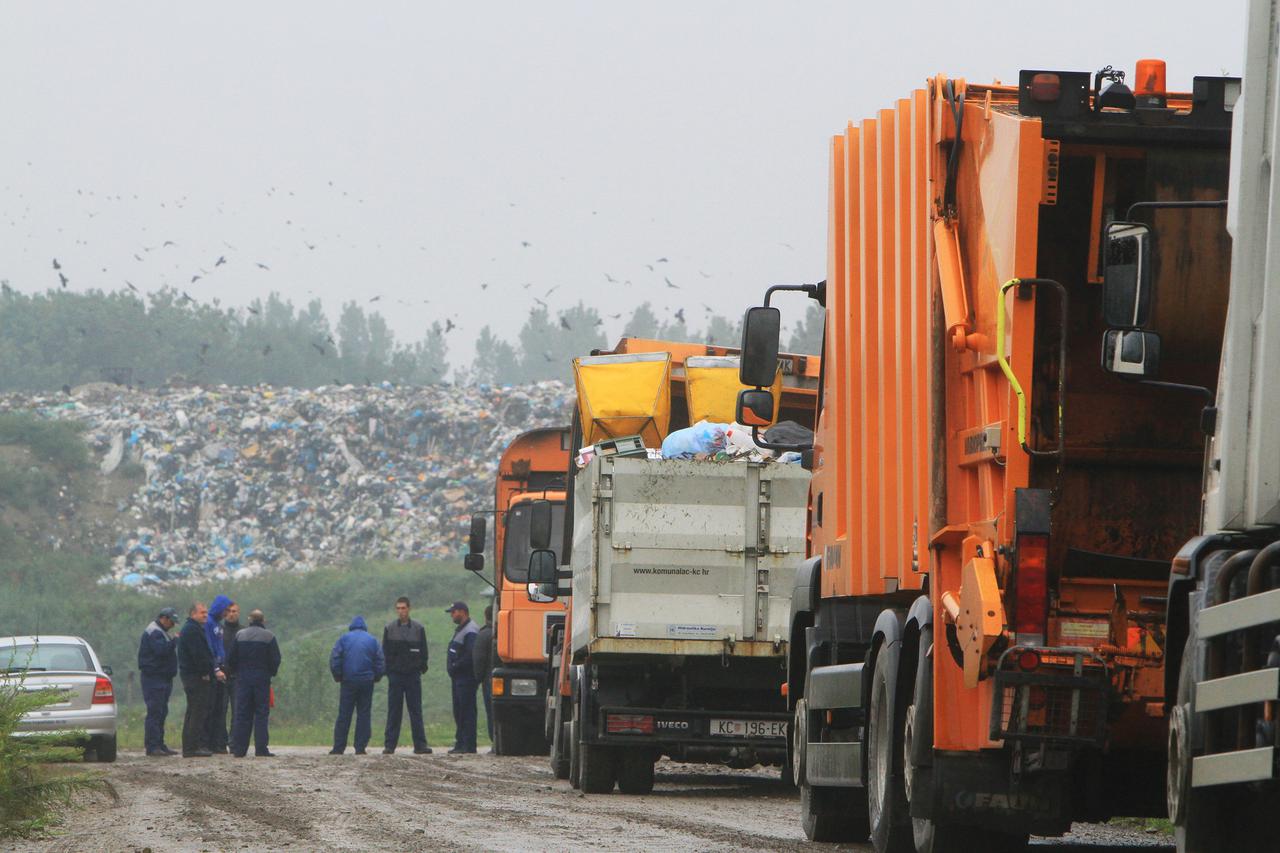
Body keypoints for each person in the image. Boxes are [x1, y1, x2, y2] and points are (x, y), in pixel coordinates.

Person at [226, 609, 280, 758]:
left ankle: (239, 749)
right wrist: (270, 673)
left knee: (242, 713)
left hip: (242, 679)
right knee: (261, 714)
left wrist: (236, 672)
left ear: (250, 620)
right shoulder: (269, 636)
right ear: (263, 621)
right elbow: (275, 659)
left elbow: (231, 658)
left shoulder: (240, 635)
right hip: (262, 679)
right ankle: (261, 749)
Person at [382, 596, 431, 755]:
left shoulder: (418, 628)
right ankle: (389, 746)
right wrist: (389, 672)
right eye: (398, 608)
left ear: (409, 609)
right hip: (396, 676)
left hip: (412, 676)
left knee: (415, 711)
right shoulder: (389, 629)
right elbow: (385, 653)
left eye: (403, 608)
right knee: (394, 711)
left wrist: (420, 668)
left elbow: (424, 652)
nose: (401, 611)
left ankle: (420, 745)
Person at [329, 616, 385, 755]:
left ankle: (338, 747)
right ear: (364, 627)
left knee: (344, 713)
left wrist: (338, 675)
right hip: (367, 681)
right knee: (364, 713)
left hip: (348, 681)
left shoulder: (343, 638)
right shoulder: (372, 640)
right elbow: (380, 660)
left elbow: (335, 658)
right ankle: (360, 747)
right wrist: (376, 676)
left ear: (351, 626)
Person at [177, 601, 220, 757]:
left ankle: (190, 746)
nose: (206, 616)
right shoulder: (192, 631)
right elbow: (199, 655)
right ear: (193, 614)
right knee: (197, 712)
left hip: (191, 676)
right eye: (202, 613)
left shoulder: (193, 629)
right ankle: (192, 747)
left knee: (193, 711)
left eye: (207, 613)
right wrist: (205, 672)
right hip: (195, 677)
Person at [137, 606, 180, 757]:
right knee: (155, 712)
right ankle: (152, 746)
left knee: (162, 711)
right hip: (153, 678)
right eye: (171, 621)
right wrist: (175, 641)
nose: (173, 625)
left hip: (162, 678)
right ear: (164, 618)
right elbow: (161, 651)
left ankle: (160, 744)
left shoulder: (161, 631)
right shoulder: (154, 631)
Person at [445, 601, 480, 754]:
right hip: (458, 678)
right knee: (459, 711)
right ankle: (461, 743)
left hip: (465, 678)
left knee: (466, 711)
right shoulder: (462, 629)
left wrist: (455, 666)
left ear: (463, 612)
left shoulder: (470, 630)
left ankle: (468, 745)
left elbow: (469, 655)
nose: (452, 615)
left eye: (454, 612)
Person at [204, 594, 234, 754]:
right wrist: (215, 668)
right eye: (225, 610)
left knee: (219, 709)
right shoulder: (208, 623)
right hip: (215, 670)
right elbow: (210, 647)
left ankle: (217, 742)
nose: (227, 613)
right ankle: (210, 742)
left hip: (222, 668)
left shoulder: (217, 624)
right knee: (212, 709)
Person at [221, 602, 242, 742]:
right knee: (220, 711)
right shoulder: (218, 630)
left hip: (238, 676)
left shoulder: (243, 631)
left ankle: (234, 740)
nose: (231, 614)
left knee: (237, 710)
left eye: (234, 611)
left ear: (238, 613)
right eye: (228, 611)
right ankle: (220, 741)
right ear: (224, 613)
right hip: (220, 676)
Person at [473, 605, 494, 741]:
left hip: (488, 680)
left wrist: (478, 678)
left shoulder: (484, 634)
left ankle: (494, 740)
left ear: (486, 616)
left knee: (491, 712)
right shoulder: (505, 632)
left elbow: (478, 659)